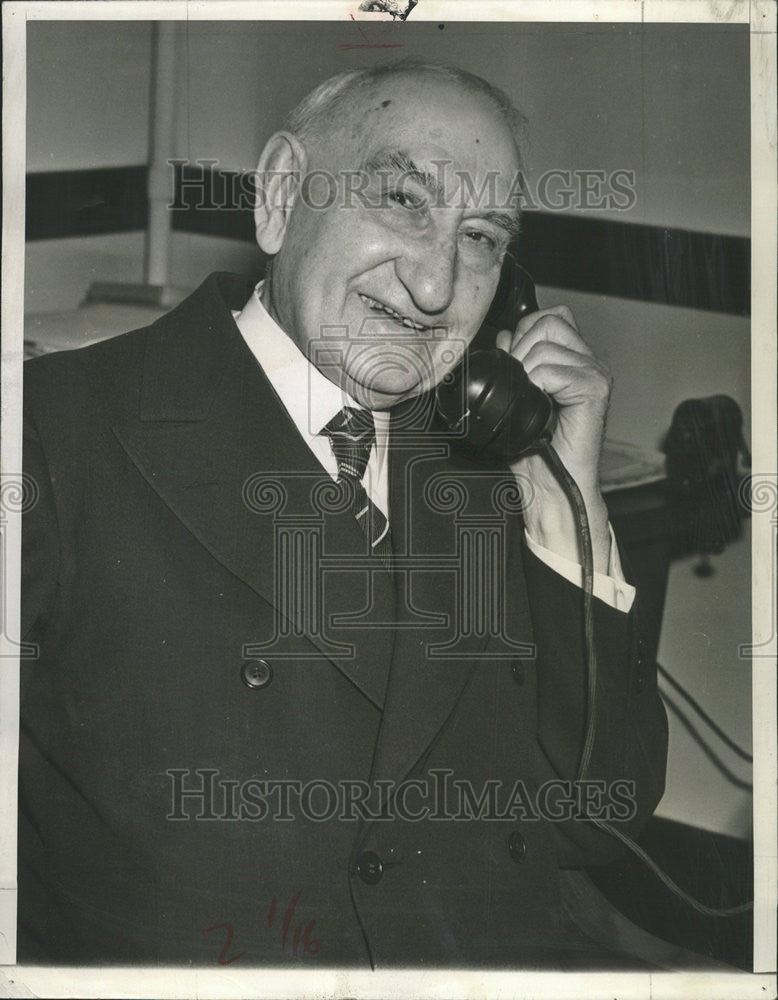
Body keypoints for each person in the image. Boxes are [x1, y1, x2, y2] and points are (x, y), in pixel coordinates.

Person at [19, 61, 668, 967]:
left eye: (481, 237)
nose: (437, 286)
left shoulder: (487, 463)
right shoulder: (53, 435)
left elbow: (601, 821)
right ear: (281, 196)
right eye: (404, 199)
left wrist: (566, 504)